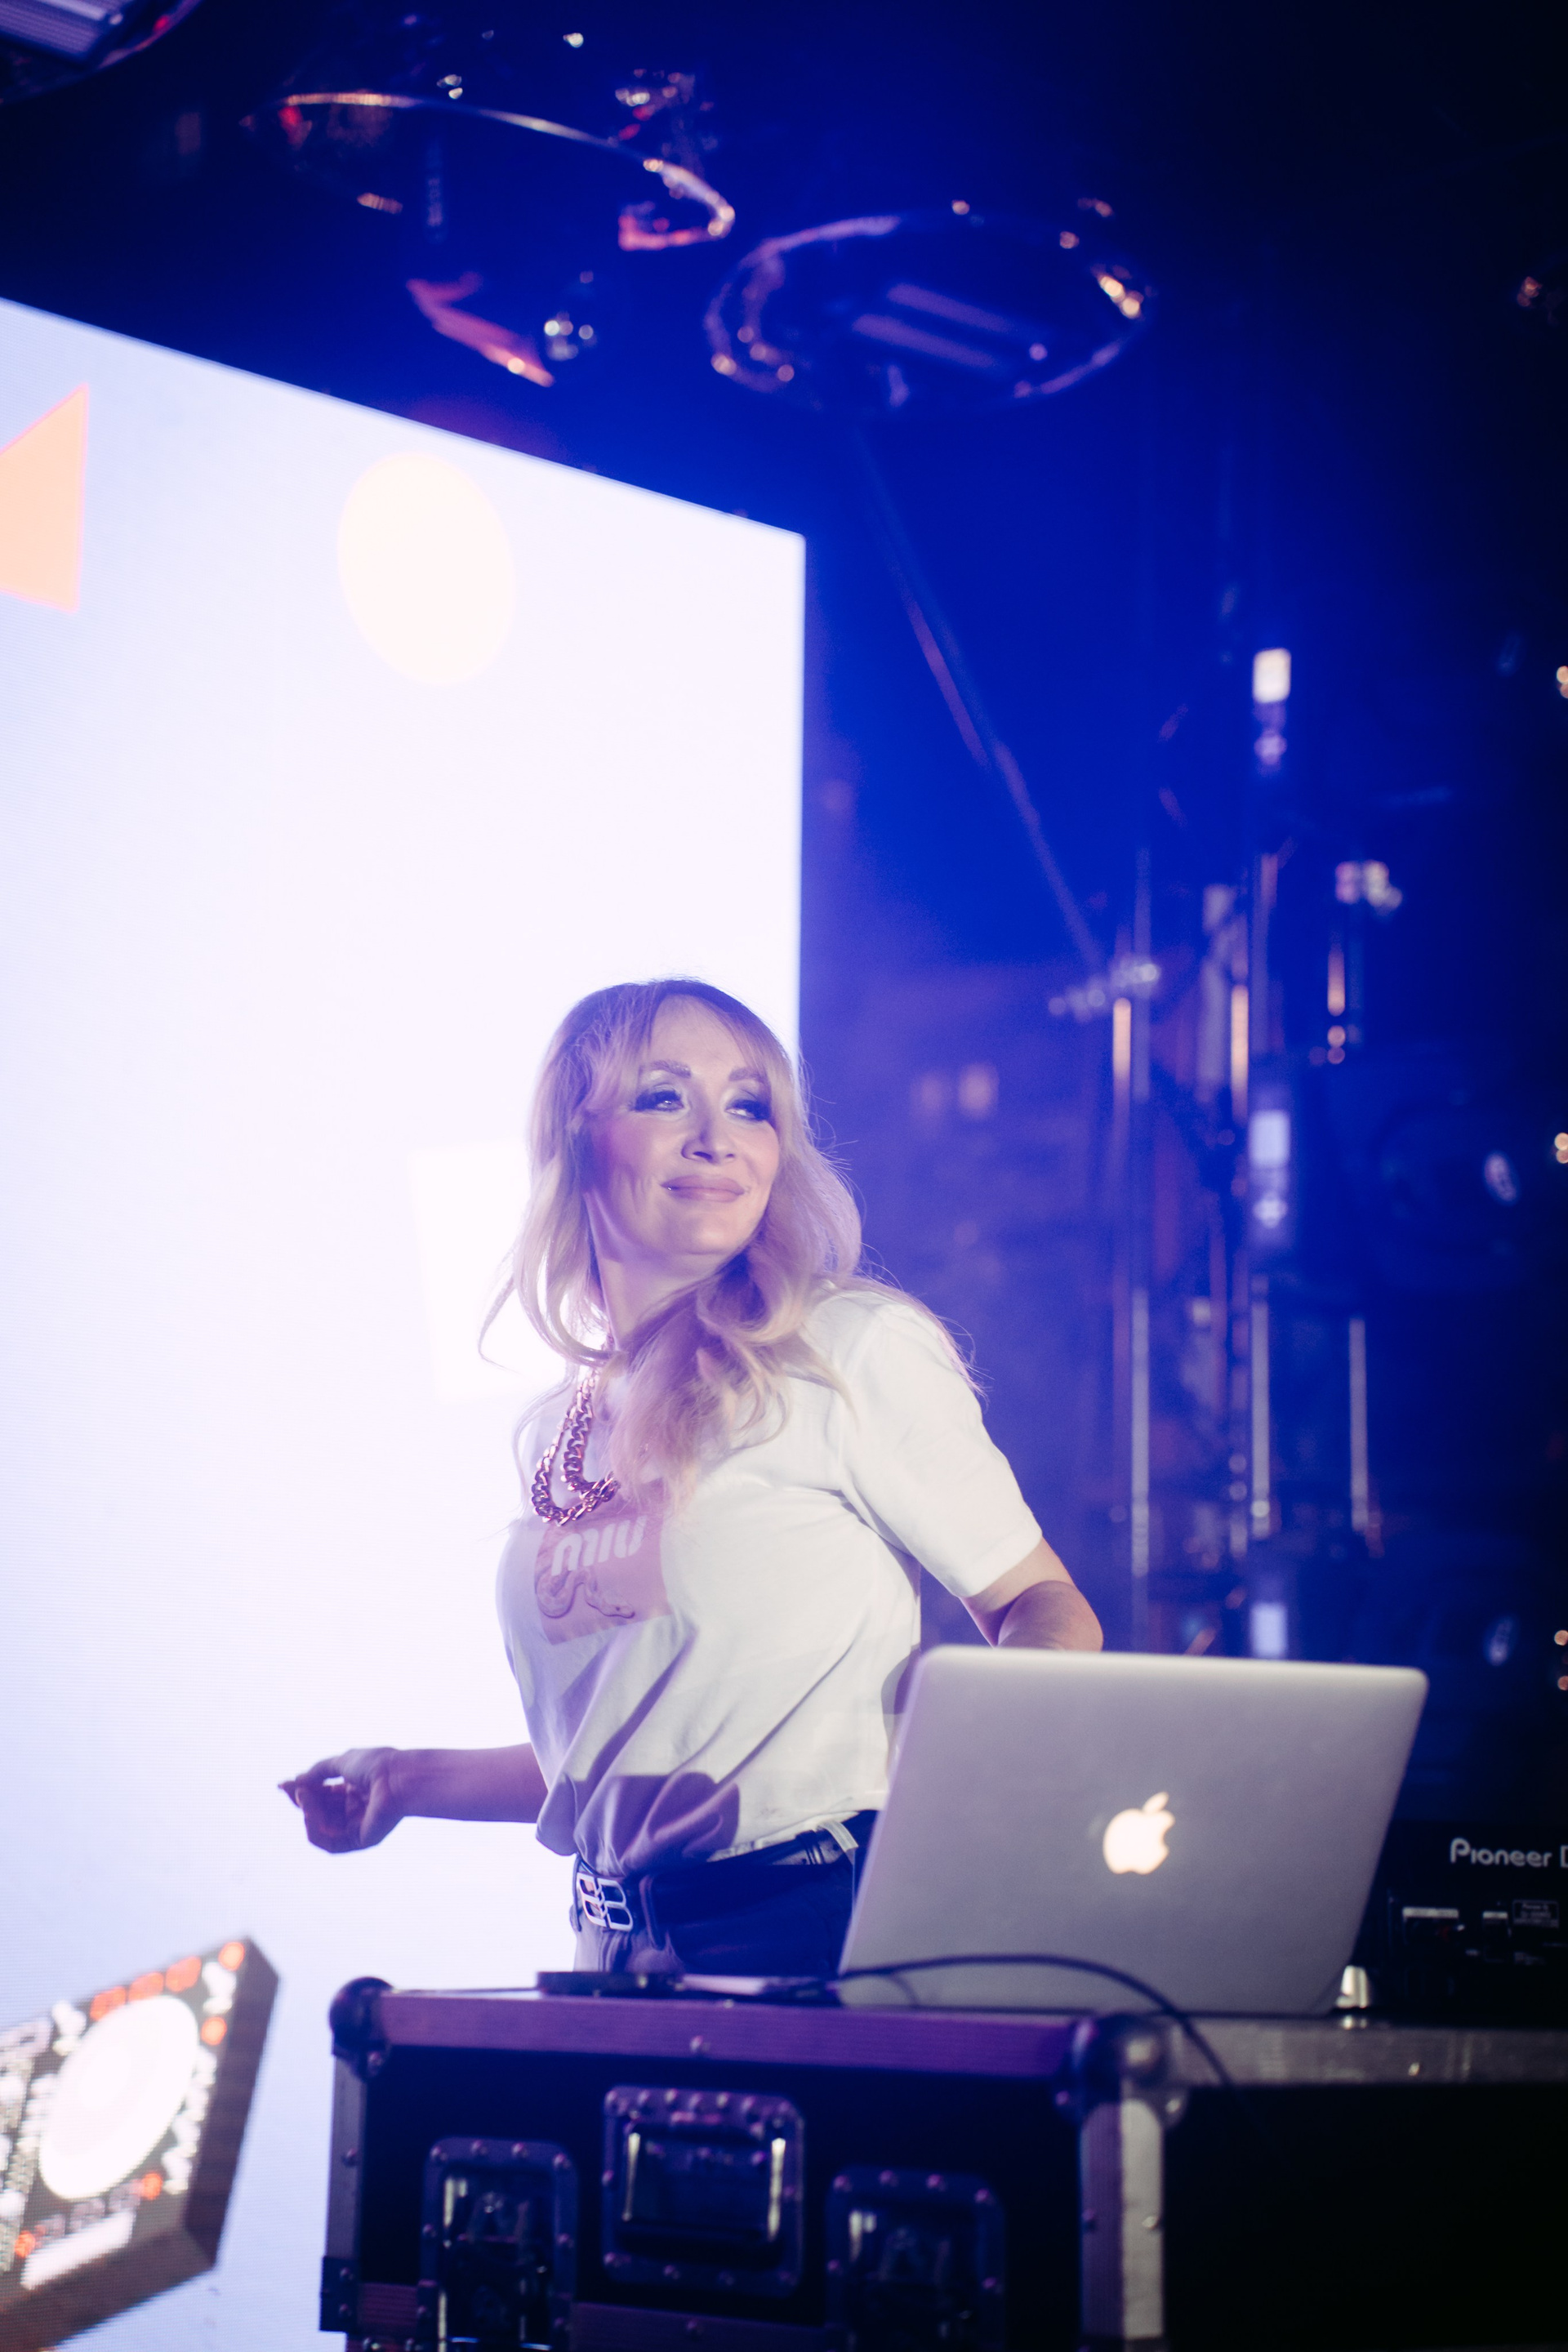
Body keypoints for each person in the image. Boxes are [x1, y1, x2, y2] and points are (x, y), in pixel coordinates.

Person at [283, 978, 1100, 1977]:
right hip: (613, 1944)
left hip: (812, 1922)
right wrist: (404, 1780)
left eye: (750, 1106)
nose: (719, 1139)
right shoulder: (561, 1426)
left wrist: (965, 1779)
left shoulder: (844, 1348)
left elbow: (1044, 1605)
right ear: (576, 1136)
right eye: (665, 1097)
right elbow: (622, 1752)